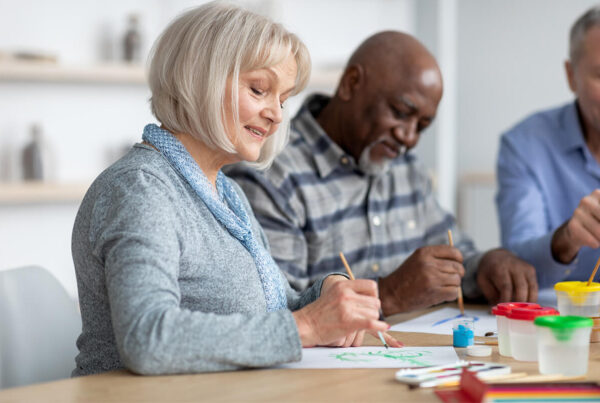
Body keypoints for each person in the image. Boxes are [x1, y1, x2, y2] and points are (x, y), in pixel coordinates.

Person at [71, 3, 398, 377]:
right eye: (259, 90)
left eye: (283, 99)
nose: (276, 114)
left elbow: (273, 310)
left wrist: (326, 294)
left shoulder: (226, 193)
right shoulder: (140, 190)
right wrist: (307, 326)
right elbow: (149, 338)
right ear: (199, 80)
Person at [226, 31, 537, 315]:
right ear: (350, 83)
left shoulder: (406, 168)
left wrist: (484, 266)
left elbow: (455, 257)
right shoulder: (269, 172)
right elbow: (277, 311)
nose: (409, 137)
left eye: (422, 126)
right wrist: (388, 294)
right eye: (401, 113)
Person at [496, 6, 600, 289]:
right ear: (571, 75)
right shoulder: (524, 145)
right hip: (563, 326)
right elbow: (517, 266)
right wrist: (568, 239)